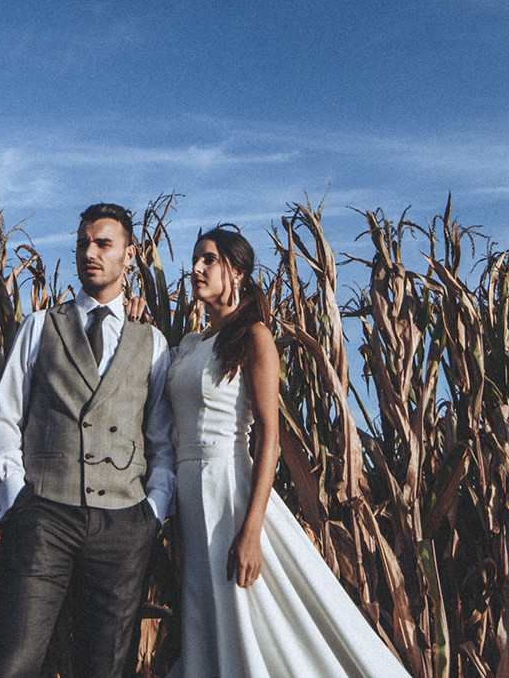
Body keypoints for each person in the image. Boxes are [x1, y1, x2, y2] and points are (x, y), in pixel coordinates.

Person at [165, 224, 411, 678]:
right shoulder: (188, 345)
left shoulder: (254, 336)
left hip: (229, 490)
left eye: (208, 259)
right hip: (188, 493)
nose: (196, 268)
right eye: (195, 259)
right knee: (206, 610)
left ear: (236, 271)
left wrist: (252, 528)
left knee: (249, 610)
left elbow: (270, 438)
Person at [0, 202, 176, 678]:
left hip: (123, 525)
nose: (90, 252)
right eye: (83, 243)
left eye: (104, 244)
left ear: (129, 256)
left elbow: (161, 440)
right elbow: (4, 415)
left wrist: (151, 513)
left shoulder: (152, 343)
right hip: (44, 512)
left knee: (105, 669)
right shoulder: (40, 327)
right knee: (12, 663)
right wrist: (17, 499)